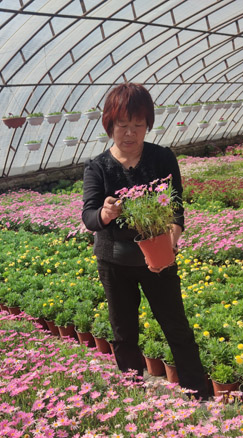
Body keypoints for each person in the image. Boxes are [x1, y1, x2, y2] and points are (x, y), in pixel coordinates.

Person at [81, 82, 209, 399]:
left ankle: (199, 394)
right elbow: (89, 215)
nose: (130, 133)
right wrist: (105, 214)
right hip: (114, 261)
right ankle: (133, 394)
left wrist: (173, 237)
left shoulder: (162, 159)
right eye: (122, 125)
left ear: (147, 125)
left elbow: (175, 208)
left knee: (176, 327)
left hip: (158, 261)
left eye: (138, 125)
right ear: (109, 125)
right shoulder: (97, 167)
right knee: (124, 333)